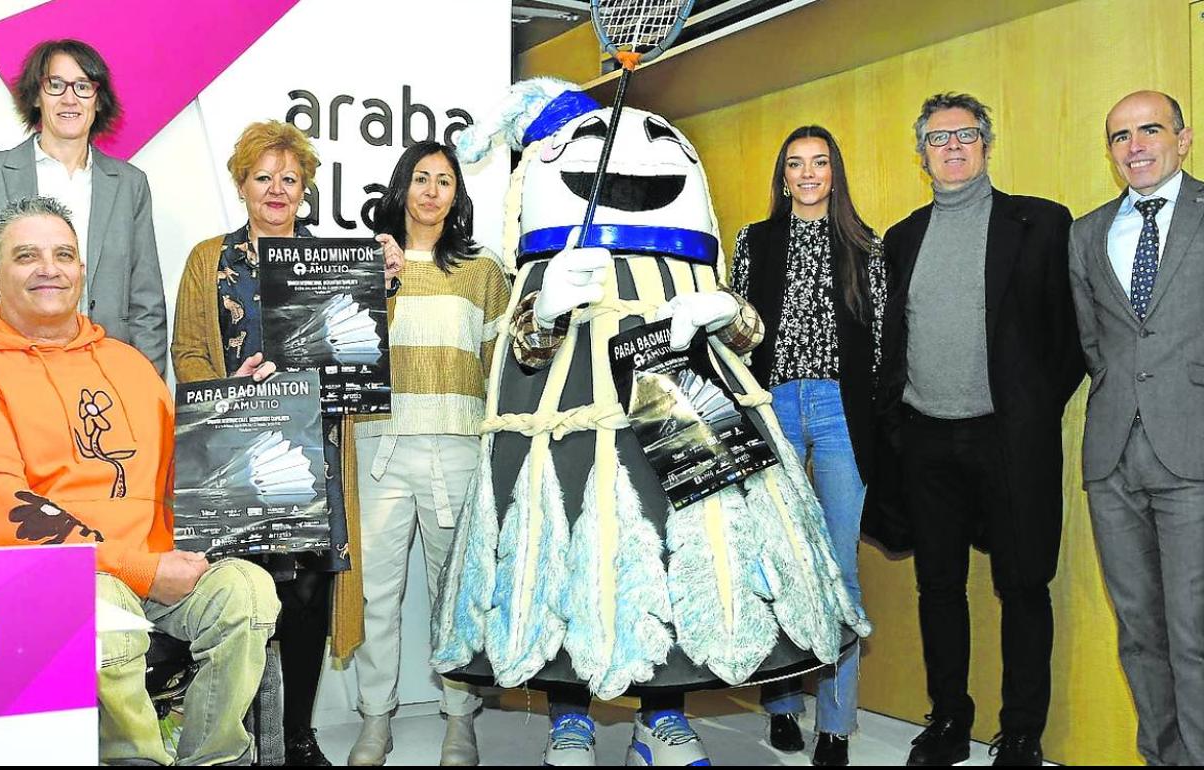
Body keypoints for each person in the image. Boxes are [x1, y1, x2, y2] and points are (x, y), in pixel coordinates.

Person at [430, 78, 869, 767]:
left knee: (672, 556)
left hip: (675, 401)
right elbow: (518, 346)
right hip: (567, 428)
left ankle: (660, 720)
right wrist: (545, 312)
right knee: (569, 562)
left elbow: (745, 333)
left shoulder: (694, 258)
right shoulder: (545, 259)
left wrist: (727, 315)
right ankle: (569, 722)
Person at [0, 195, 279, 765]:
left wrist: (240, 408)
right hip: (43, 581)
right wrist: (138, 568)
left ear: (82, 270)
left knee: (248, 592)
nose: (48, 268)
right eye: (27, 256)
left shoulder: (129, 363)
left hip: (152, 571)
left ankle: (212, 756)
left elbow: (186, 472)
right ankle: (134, 758)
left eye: (63, 254)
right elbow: (1, 512)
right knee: (105, 612)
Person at [865, 92, 1083, 767]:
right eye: (937, 138)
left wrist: (1032, 408)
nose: (952, 147)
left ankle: (1020, 731)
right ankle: (949, 723)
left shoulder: (1041, 224)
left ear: (987, 144)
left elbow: (1069, 340)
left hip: (1009, 440)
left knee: (1024, 587)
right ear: (922, 155)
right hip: (927, 441)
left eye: (965, 135)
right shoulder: (900, 239)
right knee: (938, 589)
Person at [171, 120, 375, 766]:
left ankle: (296, 735)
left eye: (290, 178)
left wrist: (381, 286)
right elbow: (187, 351)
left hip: (311, 448)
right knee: (245, 591)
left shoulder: (334, 261)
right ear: (242, 184)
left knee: (308, 594)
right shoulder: (210, 258)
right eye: (264, 177)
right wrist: (235, 389)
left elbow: (359, 352)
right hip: (235, 448)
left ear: (306, 187)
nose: (277, 189)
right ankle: (247, 733)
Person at [345, 140, 509, 767]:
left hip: (457, 448)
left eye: (444, 180)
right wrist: (375, 284)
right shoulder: (365, 263)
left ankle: (459, 720)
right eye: (421, 178)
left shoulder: (484, 269)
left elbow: (499, 367)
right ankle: (374, 721)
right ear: (401, 188)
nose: (432, 190)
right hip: (382, 446)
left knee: (452, 596)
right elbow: (343, 348)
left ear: (457, 194)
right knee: (378, 597)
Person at [731, 124, 886, 767]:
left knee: (839, 566)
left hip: (840, 410)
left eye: (819, 163)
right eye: (795, 164)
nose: (807, 174)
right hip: (774, 408)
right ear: (783, 175)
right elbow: (734, 333)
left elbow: (879, 344)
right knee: (777, 559)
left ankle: (836, 721)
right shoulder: (755, 241)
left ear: (834, 172)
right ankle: (781, 705)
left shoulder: (865, 245)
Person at [1068, 90, 1202, 766]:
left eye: (1150, 129)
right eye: (1119, 136)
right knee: (1141, 634)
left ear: (1183, 137)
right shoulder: (1088, 232)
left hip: (1196, 456)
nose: (1135, 146)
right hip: (1115, 458)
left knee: (1195, 633)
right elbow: (1097, 347)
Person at [0, 39, 167, 374]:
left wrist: (148, 383)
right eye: (55, 85)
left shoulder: (129, 184)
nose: (70, 98)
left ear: (98, 100)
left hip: (105, 371)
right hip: (6, 370)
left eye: (83, 86)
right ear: (37, 96)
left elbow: (146, 303)